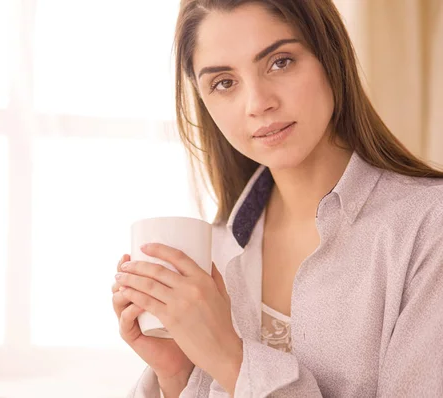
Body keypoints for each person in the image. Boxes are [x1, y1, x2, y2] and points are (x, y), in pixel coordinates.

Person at [111, 1, 443, 397]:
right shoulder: (214, 252)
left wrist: (230, 359)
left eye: (280, 62)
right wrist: (177, 376)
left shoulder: (427, 228)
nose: (258, 103)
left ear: (330, 55)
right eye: (224, 82)